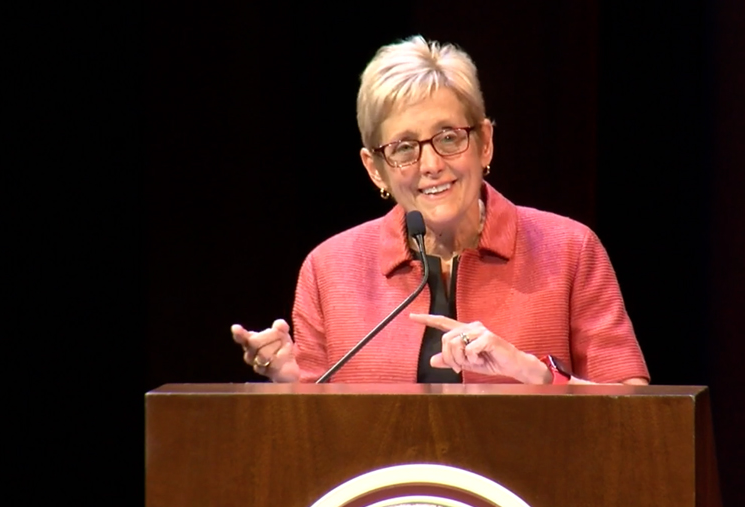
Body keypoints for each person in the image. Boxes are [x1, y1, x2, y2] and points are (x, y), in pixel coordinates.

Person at [231, 35, 649, 385]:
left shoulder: (569, 252)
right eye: (404, 148)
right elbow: (316, 442)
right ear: (375, 169)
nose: (430, 165)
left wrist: (537, 375)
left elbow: (636, 416)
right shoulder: (329, 271)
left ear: (485, 142)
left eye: (449, 137)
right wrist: (294, 385)